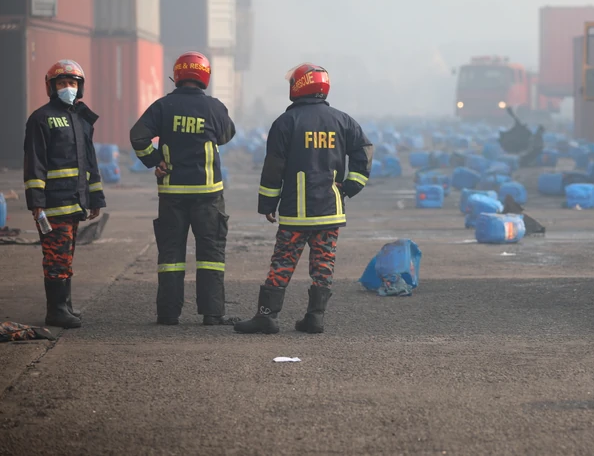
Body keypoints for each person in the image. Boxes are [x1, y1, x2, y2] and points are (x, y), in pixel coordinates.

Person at [235, 64, 373, 335]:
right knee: (323, 263)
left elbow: (273, 168)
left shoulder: (286, 122)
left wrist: (267, 204)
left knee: (283, 260)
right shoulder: (343, 121)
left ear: (298, 87)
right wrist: (349, 187)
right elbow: (364, 152)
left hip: (296, 212)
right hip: (330, 211)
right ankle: (315, 318)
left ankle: (267, 316)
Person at [129, 51, 239, 326]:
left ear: (177, 75)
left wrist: (154, 160)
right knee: (210, 254)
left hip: (172, 195)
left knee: (171, 255)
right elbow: (226, 136)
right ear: (205, 77)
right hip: (208, 195)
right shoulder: (214, 107)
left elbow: (138, 135)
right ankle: (212, 314)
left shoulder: (162, 106)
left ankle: (168, 314)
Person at [23, 60, 106, 329]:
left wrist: (95, 198)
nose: (67, 87)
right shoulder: (41, 118)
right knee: (56, 257)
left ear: (79, 87)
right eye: (62, 84)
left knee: (66, 255)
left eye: (72, 83)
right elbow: (34, 162)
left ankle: (65, 306)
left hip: (75, 201)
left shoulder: (81, 119)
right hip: (52, 204)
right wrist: (36, 203)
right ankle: (56, 311)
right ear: (51, 87)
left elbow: (89, 162)